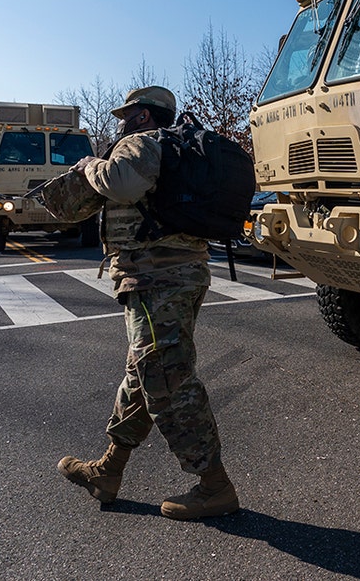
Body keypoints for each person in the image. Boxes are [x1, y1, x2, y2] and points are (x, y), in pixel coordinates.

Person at [56, 86, 238, 520]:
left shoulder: (141, 143)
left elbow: (121, 184)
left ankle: (215, 487)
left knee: (167, 380)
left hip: (158, 279)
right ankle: (108, 470)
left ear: (141, 116)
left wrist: (91, 165)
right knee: (144, 375)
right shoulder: (174, 149)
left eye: (126, 114)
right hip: (174, 275)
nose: (120, 121)